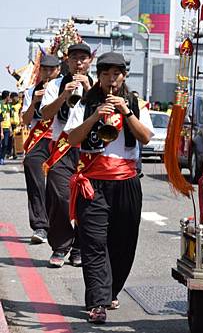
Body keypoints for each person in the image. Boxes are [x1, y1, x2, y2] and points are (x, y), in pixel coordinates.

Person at [65, 52, 154, 324]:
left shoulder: (135, 103)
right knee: (93, 243)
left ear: (124, 76)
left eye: (116, 74)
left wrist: (125, 112)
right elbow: (71, 138)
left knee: (123, 242)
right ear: (99, 76)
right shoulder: (86, 103)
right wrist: (95, 117)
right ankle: (98, 302)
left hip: (126, 181)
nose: (110, 79)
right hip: (93, 183)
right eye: (105, 74)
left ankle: (111, 290)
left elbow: (146, 138)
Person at [40, 42, 94, 268]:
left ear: (90, 61)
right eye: (74, 58)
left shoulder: (98, 85)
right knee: (59, 197)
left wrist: (90, 90)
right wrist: (64, 95)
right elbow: (44, 114)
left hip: (88, 150)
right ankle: (61, 246)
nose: (78, 62)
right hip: (62, 148)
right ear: (67, 61)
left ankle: (79, 247)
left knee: (86, 200)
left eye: (83, 58)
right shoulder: (54, 84)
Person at [22, 54, 62, 244]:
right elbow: (26, 120)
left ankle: (63, 225)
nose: (47, 73)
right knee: (33, 169)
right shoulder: (31, 91)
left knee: (60, 185)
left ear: (58, 71)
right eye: (44, 69)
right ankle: (40, 225)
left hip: (62, 139)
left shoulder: (66, 87)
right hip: (40, 139)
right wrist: (34, 102)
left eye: (51, 70)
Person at [0, 91, 12, 164]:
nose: (10, 98)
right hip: (1, 127)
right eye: (9, 96)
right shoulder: (0, 104)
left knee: (5, 144)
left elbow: (9, 117)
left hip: (7, 127)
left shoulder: (8, 105)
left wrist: (10, 128)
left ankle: (2, 158)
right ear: (7, 97)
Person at [9, 92, 21, 159]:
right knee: (12, 140)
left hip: (17, 124)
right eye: (15, 97)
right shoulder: (9, 105)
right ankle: (12, 153)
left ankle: (14, 153)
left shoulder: (19, 105)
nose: (16, 98)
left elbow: (20, 113)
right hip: (10, 124)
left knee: (16, 139)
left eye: (17, 97)